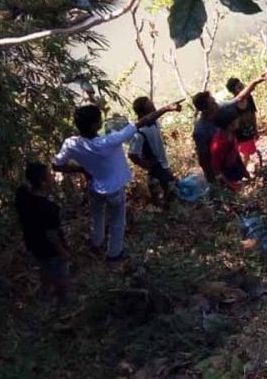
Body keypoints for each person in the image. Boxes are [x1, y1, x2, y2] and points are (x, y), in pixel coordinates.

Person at [53, 100, 182, 261]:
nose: (101, 122)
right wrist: (166, 108)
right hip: (114, 189)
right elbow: (144, 121)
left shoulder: (71, 143)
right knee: (117, 221)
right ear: (94, 126)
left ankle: (96, 242)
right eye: (99, 120)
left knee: (97, 216)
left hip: (94, 187)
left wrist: (81, 169)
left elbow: (57, 166)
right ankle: (114, 253)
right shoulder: (109, 141)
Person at [191, 72, 267, 183]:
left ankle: (244, 178)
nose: (216, 103)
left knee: (240, 173)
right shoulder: (201, 130)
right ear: (205, 109)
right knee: (229, 182)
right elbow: (203, 159)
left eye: (214, 101)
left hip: (231, 152)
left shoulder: (219, 108)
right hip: (220, 162)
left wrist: (254, 82)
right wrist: (211, 179)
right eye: (212, 103)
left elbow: (239, 98)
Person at [15, 162, 71, 304]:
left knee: (44, 268)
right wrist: (63, 252)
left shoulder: (22, 196)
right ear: (43, 183)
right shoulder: (48, 209)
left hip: (34, 244)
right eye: (50, 175)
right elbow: (52, 235)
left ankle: (44, 294)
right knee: (61, 275)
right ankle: (63, 300)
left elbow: (24, 186)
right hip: (51, 250)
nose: (53, 176)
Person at [127, 96, 176, 208]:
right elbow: (132, 154)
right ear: (143, 112)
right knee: (168, 200)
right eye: (151, 107)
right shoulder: (139, 133)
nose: (154, 109)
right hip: (156, 170)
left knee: (172, 195)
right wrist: (146, 165)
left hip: (163, 166)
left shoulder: (155, 123)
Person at [226, 76, 263, 175]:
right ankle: (241, 173)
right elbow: (232, 125)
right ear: (234, 92)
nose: (242, 88)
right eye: (239, 87)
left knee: (247, 154)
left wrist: (256, 130)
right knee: (245, 155)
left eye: (242, 85)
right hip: (240, 136)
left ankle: (241, 171)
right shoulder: (232, 106)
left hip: (249, 131)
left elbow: (253, 114)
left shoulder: (249, 98)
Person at [210, 104, 249, 190]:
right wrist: (231, 184)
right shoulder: (218, 145)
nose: (238, 120)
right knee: (236, 189)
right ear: (229, 125)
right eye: (236, 120)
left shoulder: (231, 132)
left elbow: (234, 151)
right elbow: (218, 168)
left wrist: (243, 170)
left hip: (235, 162)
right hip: (227, 170)